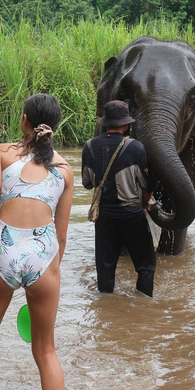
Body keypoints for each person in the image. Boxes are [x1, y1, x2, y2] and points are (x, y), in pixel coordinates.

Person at [0, 94, 73, 390]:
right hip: (44, 254)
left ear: (24, 120)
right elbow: (60, 236)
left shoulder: (2, 154)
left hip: (2, 252)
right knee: (46, 351)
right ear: (56, 128)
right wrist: (51, 271)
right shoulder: (64, 170)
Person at [81, 100, 157, 297]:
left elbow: (88, 183)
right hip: (132, 215)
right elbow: (147, 186)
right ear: (126, 124)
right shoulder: (136, 147)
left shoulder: (90, 146)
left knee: (105, 269)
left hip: (104, 218)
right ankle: (143, 306)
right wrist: (143, 206)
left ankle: (106, 309)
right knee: (145, 266)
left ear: (106, 123)